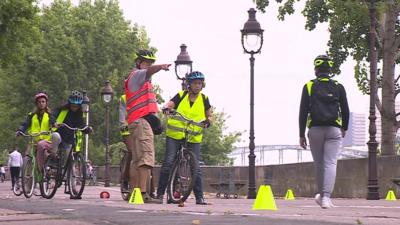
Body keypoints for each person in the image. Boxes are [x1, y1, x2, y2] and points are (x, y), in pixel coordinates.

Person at [298, 54, 349, 209]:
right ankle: (325, 197)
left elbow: (303, 111)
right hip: (334, 130)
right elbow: (345, 109)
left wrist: (301, 134)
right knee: (331, 163)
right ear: (330, 70)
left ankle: (322, 196)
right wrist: (344, 127)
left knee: (319, 164)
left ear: (316, 70)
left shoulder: (309, 86)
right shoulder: (339, 86)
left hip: (315, 130)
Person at [156, 71, 213, 205]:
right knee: (168, 162)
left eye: (200, 83)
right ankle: (159, 194)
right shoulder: (181, 95)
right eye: (195, 83)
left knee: (196, 166)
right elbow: (169, 105)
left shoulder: (204, 98)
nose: (197, 86)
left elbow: (209, 115)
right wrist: (166, 109)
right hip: (175, 135)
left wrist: (208, 121)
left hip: (193, 136)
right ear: (189, 85)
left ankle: (200, 197)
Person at [124, 49, 170, 203]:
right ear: (138, 62)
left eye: (150, 62)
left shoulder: (141, 81)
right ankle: (143, 194)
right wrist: (159, 67)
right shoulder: (137, 75)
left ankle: (135, 193)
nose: (149, 65)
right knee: (146, 157)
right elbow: (149, 71)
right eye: (146, 62)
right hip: (141, 122)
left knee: (136, 160)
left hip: (137, 122)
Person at [16, 92, 57, 171]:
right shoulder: (31, 115)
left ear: (46, 103)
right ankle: (27, 177)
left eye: (43, 102)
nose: (41, 104)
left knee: (45, 155)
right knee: (27, 155)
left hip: (46, 142)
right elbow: (25, 124)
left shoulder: (49, 115)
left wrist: (54, 124)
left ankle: (45, 170)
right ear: (36, 104)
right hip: (34, 141)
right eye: (39, 102)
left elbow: (53, 122)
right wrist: (20, 130)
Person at [51, 90, 92, 161]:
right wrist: (54, 122)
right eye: (73, 106)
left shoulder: (79, 114)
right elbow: (52, 115)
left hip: (69, 140)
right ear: (69, 104)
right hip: (59, 135)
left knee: (68, 160)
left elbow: (82, 125)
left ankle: (71, 171)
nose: (74, 108)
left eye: (76, 106)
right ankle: (53, 157)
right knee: (55, 136)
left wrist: (87, 129)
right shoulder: (62, 109)